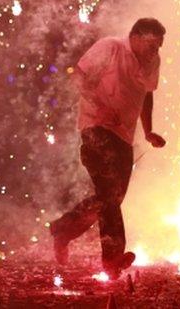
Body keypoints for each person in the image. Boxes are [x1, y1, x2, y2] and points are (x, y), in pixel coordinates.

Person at [50, 17, 167, 279]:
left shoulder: (152, 62)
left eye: (159, 47)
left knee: (110, 198)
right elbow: (78, 78)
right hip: (96, 127)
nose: (155, 52)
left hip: (124, 136)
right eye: (151, 45)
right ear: (135, 37)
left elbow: (147, 94)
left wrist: (148, 131)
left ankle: (62, 230)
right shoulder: (111, 48)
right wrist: (100, 106)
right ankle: (112, 261)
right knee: (110, 194)